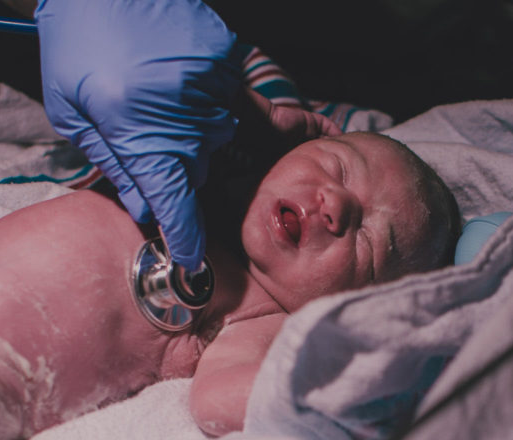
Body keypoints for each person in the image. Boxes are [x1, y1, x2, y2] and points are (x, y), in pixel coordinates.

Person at [0, 132, 460, 440]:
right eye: (336, 166)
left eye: (374, 242)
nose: (337, 204)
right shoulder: (195, 180)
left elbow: (220, 400)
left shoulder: (263, 320)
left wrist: (347, 380)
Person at [32, 0, 340, 274]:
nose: (337, 205)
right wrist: (259, 113)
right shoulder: (271, 132)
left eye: (371, 236)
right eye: (338, 169)